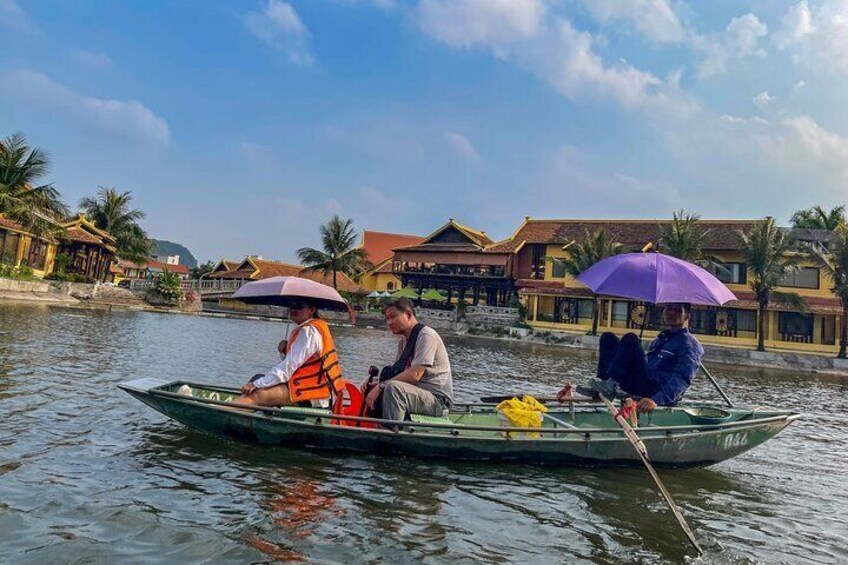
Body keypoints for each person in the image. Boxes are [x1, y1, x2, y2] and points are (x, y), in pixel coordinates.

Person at [558, 303, 704, 412]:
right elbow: (644, 365)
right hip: (642, 382)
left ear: (687, 315)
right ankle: (604, 385)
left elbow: (682, 378)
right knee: (607, 338)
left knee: (630, 338)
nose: (671, 313)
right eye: (668, 309)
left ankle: (610, 386)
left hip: (653, 391)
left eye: (678, 310)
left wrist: (655, 400)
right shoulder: (660, 339)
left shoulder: (689, 344)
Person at [234, 299, 344, 408]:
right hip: (305, 387)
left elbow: (288, 367)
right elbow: (298, 363)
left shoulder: (310, 331)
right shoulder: (306, 328)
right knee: (257, 378)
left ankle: (230, 411)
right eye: (292, 305)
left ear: (312, 309)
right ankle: (239, 408)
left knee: (258, 393)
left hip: (313, 394)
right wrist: (284, 350)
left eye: (299, 306)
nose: (294, 309)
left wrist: (257, 384)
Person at [364, 298, 453, 421]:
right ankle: (373, 423)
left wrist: (381, 386)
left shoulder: (426, 335)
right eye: (387, 319)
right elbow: (400, 373)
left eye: (393, 317)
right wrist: (375, 385)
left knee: (393, 389)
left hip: (437, 401)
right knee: (380, 387)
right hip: (415, 394)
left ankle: (393, 432)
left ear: (409, 314)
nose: (389, 322)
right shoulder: (403, 341)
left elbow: (415, 374)